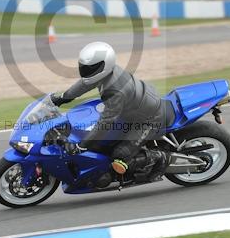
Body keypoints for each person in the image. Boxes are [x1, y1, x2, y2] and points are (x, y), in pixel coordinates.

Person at [51, 42, 174, 182]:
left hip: (149, 119)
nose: (85, 71)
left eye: (90, 68)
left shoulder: (115, 91)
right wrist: (62, 98)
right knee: (100, 142)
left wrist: (81, 146)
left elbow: (106, 122)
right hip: (134, 110)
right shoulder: (105, 72)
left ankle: (161, 157)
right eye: (83, 67)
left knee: (119, 155)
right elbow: (85, 83)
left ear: (104, 65)